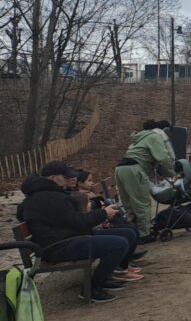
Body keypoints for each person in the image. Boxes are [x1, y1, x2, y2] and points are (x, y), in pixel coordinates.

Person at [20, 162, 141, 302]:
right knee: (119, 244)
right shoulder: (48, 197)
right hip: (60, 246)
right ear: (53, 178)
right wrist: (103, 214)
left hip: (70, 238)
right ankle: (91, 289)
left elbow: (71, 221)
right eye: (65, 176)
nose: (70, 178)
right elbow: (77, 221)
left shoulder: (46, 194)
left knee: (128, 234)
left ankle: (105, 277)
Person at [114, 119, 176, 240]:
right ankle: (144, 234)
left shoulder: (140, 138)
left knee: (129, 204)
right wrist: (171, 173)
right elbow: (163, 158)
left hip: (120, 169)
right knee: (141, 202)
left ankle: (132, 231)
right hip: (134, 169)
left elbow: (144, 156)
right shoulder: (155, 136)